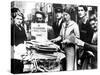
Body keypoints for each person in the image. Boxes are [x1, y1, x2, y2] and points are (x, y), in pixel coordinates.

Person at [11, 8, 27, 73]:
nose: (19, 21)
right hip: (15, 52)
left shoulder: (22, 28)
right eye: (17, 19)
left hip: (21, 52)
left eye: (21, 19)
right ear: (14, 19)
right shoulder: (12, 27)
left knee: (21, 68)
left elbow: (25, 38)